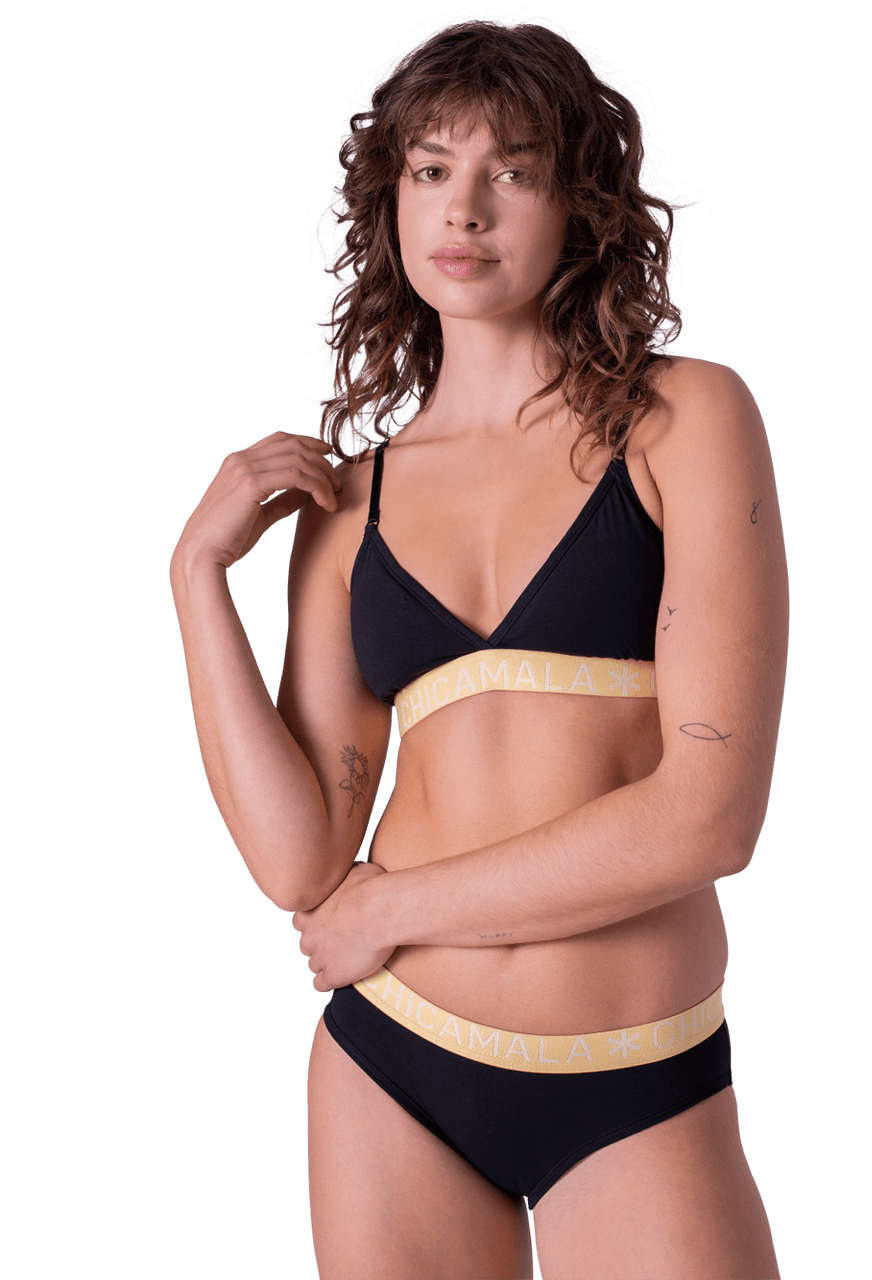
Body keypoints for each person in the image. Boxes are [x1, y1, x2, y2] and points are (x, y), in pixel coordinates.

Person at [170, 8, 788, 1277]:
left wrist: (395, 906)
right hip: (394, 1062)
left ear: (582, 207)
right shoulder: (351, 505)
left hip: (637, 1074)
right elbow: (300, 862)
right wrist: (194, 580)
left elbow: (709, 817)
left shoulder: (684, 420)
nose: (463, 208)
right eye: (431, 170)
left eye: (514, 170)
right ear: (390, 203)